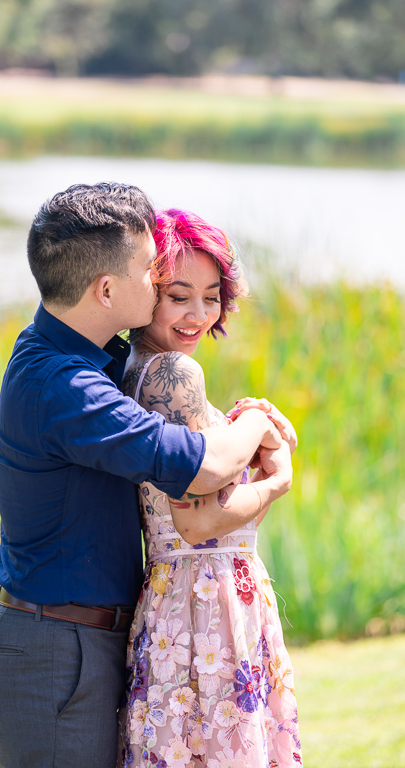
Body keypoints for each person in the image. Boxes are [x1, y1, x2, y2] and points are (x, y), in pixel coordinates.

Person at [0, 183, 293, 768]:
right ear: (107, 289)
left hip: (81, 638)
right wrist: (260, 428)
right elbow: (201, 468)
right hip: (52, 648)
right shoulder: (64, 385)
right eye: (153, 272)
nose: (158, 279)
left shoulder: (100, 361)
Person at [118, 209, 301, 767]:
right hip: (205, 602)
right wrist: (276, 480)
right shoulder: (175, 373)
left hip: (186, 594)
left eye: (212, 295)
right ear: (147, 291)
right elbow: (198, 522)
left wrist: (251, 431)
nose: (198, 314)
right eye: (179, 295)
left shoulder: (134, 367)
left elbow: (217, 514)